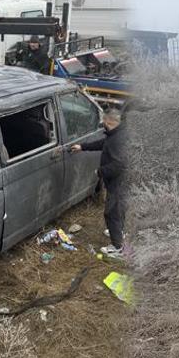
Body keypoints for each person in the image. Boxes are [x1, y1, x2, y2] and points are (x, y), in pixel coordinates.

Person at [70, 109, 127, 258]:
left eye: (104, 122)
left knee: (111, 213)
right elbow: (104, 143)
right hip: (123, 182)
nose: (103, 124)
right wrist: (83, 147)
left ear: (109, 122)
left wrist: (100, 171)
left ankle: (118, 248)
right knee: (119, 208)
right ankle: (119, 232)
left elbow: (120, 165)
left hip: (119, 182)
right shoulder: (118, 133)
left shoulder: (117, 140)